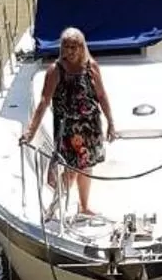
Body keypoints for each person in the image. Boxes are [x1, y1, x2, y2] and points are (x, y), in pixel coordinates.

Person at [23, 27, 116, 217]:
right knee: (71, 169)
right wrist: (30, 131)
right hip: (68, 129)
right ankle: (55, 207)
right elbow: (43, 102)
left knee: (86, 166)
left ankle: (84, 206)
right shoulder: (55, 71)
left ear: (82, 47)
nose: (70, 51)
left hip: (90, 126)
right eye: (66, 47)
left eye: (74, 47)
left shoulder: (92, 67)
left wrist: (111, 123)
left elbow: (101, 95)